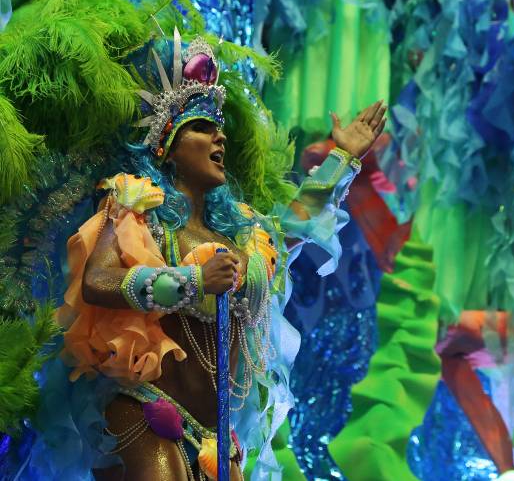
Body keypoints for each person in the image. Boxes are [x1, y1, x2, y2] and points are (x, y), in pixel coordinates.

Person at [58, 31, 386, 480]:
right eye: (202, 127)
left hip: (218, 436)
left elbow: (297, 223)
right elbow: (97, 282)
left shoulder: (246, 232)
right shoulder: (136, 207)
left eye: (221, 129)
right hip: (148, 411)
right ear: (166, 145)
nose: (220, 137)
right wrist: (192, 281)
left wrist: (344, 156)